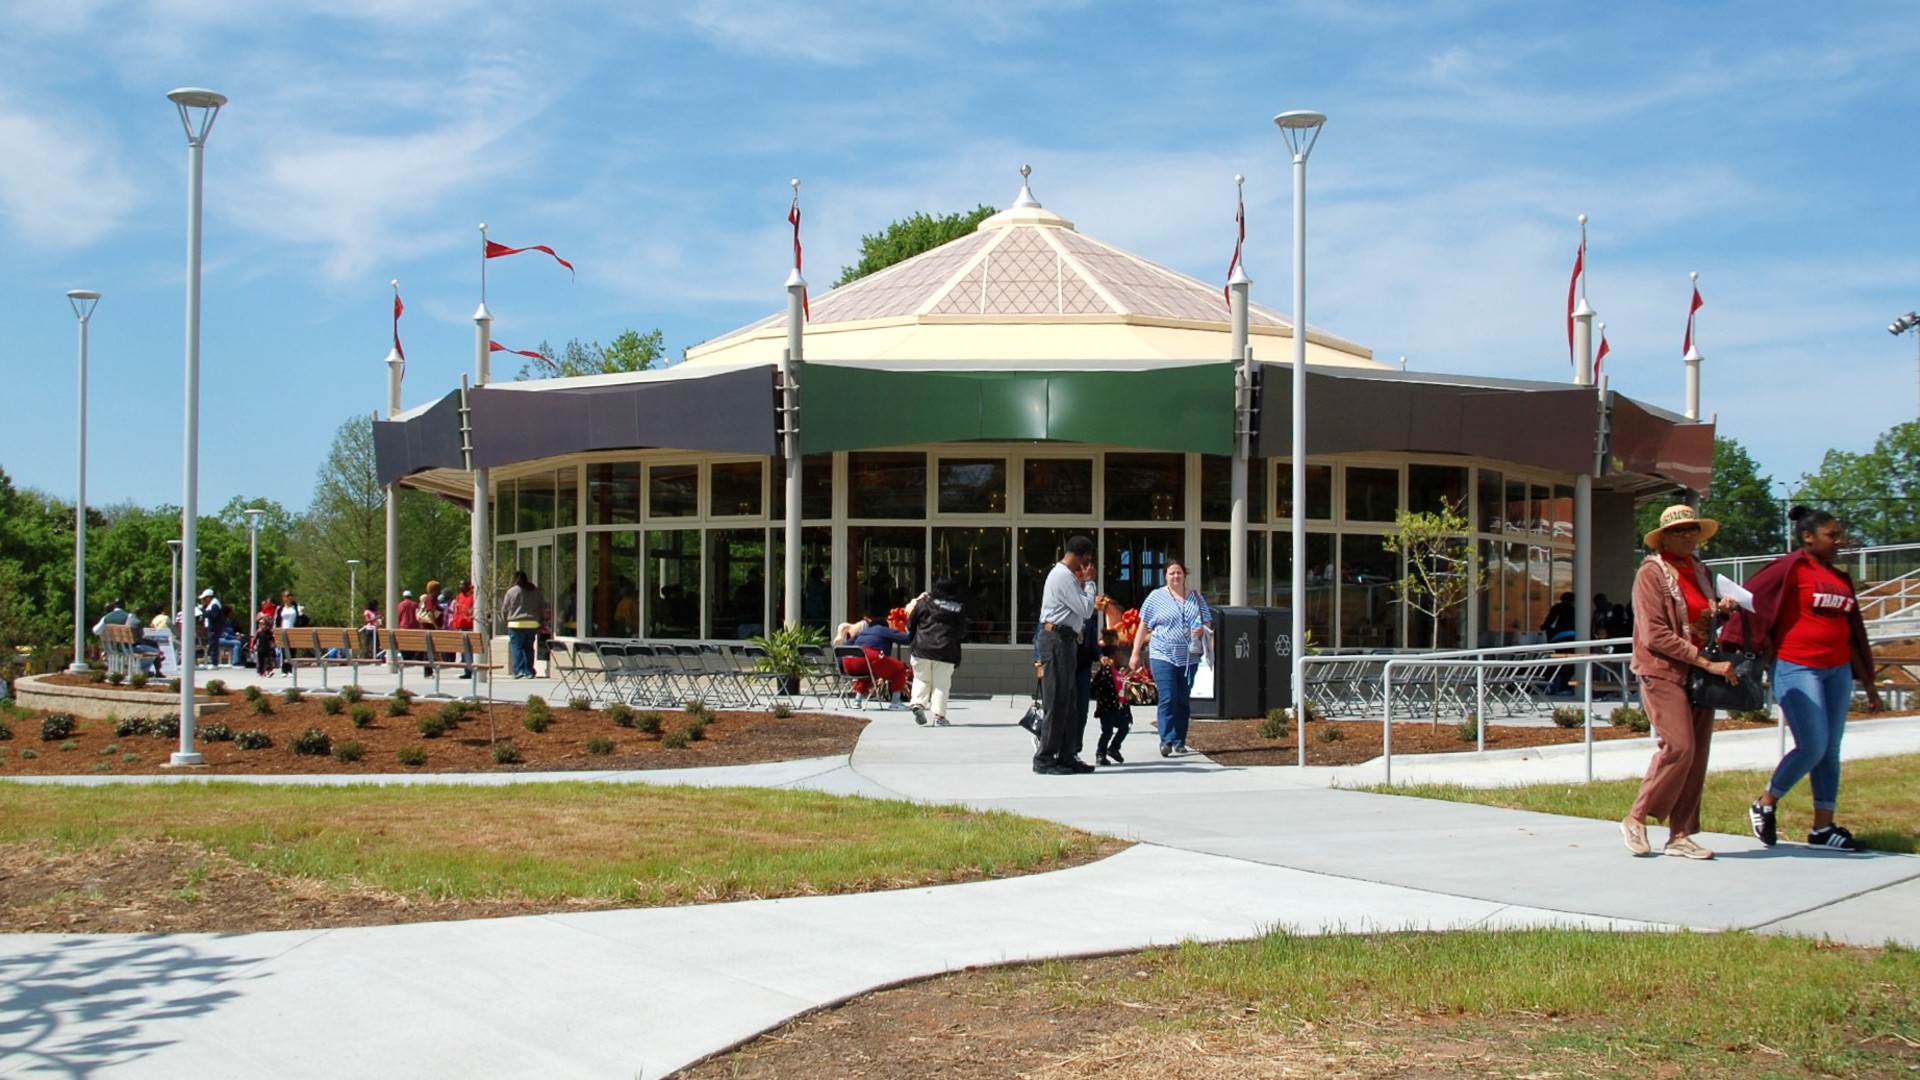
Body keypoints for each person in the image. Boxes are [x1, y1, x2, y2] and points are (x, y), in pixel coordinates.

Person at [1728, 506, 1881, 852]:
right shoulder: (1789, 568)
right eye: (1832, 535)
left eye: (1839, 534)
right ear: (1808, 537)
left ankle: (1823, 828)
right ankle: (1765, 803)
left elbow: (1851, 632)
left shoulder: (1840, 578)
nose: (1839, 541)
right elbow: (1746, 600)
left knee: (1830, 750)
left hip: (1837, 671)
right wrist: (1764, 645)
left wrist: (1869, 683)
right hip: (1797, 667)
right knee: (1812, 745)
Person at [1621, 504, 1740, 861]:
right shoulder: (1651, 573)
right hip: (1663, 670)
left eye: (1692, 529)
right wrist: (1705, 661)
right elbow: (1654, 633)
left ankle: (1681, 835)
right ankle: (1636, 817)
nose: (1687, 535)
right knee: (1679, 746)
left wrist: (1720, 612)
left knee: (1697, 753)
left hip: (1699, 674)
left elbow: (1698, 620)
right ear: (1664, 537)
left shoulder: (1701, 571)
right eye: (1678, 530)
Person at [1128, 558, 1212, 758]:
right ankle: (1166, 740)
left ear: (1184, 575)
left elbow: (1208, 622)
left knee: (1182, 700)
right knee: (1168, 697)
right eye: (1171, 573)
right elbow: (1143, 626)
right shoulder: (1155, 597)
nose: (1176, 576)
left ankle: (1179, 740)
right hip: (1162, 655)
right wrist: (1135, 652)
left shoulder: (1196, 598)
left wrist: (1202, 630)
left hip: (1189, 658)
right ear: (1165, 576)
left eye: (1179, 573)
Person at [1034, 535, 1099, 775]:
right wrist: (1090, 583)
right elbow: (1086, 609)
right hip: (1057, 640)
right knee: (1057, 701)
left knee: (1069, 702)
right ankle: (1045, 758)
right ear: (1082, 557)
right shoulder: (1063, 576)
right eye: (1087, 561)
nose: (1087, 567)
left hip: (1066, 640)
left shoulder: (1067, 577)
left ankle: (1067, 755)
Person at [906, 579, 965, 726]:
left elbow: (911, 623)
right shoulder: (958, 609)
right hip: (946, 651)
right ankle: (939, 717)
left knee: (921, 679)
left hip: (921, 648)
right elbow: (961, 632)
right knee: (941, 684)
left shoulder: (924, 604)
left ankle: (918, 703)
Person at [834, 614, 911, 706]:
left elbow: (843, 649)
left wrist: (841, 668)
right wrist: (908, 629)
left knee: (868, 671)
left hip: (849, 664)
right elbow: (907, 639)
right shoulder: (883, 630)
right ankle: (895, 702)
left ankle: (857, 701)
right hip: (870, 658)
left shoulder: (861, 633)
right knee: (900, 667)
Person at [1090, 630, 1133, 766]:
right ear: (1113, 657)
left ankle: (1114, 748)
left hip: (1119, 708)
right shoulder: (1105, 673)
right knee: (1107, 732)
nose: (1122, 657)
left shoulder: (1118, 672)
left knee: (1124, 728)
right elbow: (1095, 689)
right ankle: (1100, 754)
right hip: (1107, 709)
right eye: (1120, 654)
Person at [502, 571, 545, 678]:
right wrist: (541, 621)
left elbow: (504, 608)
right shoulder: (535, 591)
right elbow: (542, 607)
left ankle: (518, 670)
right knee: (529, 648)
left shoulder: (512, 591)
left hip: (515, 624)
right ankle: (528, 671)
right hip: (532, 624)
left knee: (517, 647)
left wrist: (505, 620)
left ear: (516, 579)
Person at [450, 580, 477, 678]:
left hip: (470, 626)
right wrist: (456, 624)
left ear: (468, 586)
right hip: (462, 626)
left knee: (470, 650)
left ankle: (471, 670)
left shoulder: (474, 596)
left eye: (463, 584)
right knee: (464, 651)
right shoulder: (459, 596)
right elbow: (457, 611)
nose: (461, 586)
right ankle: (467, 671)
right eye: (460, 584)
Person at [275, 590, 305, 675]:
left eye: (291, 595)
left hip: (293, 631)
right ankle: (284, 670)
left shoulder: (296, 607)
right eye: (288, 596)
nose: (290, 597)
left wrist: (301, 614)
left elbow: (302, 620)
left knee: (292, 651)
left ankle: (290, 669)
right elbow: (277, 620)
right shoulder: (280, 608)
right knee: (284, 651)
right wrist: (277, 631)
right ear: (283, 598)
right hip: (283, 631)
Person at [198, 588, 228, 668]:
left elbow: (214, 616)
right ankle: (211, 661)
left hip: (215, 628)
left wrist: (204, 612)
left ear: (209, 597)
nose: (203, 600)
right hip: (211, 628)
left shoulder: (215, 604)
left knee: (213, 645)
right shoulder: (210, 605)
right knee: (211, 645)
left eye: (204, 598)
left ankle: (214, 663)